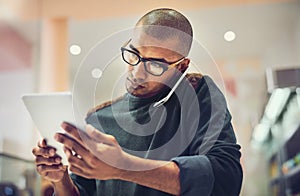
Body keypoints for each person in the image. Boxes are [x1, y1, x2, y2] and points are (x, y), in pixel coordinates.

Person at [32, 8, 243, 196]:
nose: (138, 72)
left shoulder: (197, 94)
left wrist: (124, 167)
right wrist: (60, 179)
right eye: (134, 54)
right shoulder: (98, 118)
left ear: (181, 67)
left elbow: (226, 179)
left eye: (155, 65)